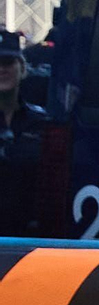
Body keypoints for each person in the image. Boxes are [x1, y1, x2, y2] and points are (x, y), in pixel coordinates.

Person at [0, 30, 46, 238]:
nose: (2, 69)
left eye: (8, 62)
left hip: (28, 236)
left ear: (22, 68)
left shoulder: (40, 122)